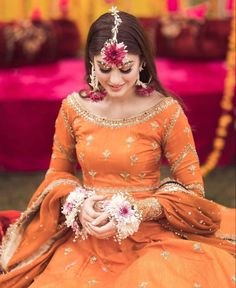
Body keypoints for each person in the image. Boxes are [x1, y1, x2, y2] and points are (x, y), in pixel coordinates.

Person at [0, 7, 235, 288]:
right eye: (103, 67)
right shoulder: (73, 109)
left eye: (125, 68)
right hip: (87, 235)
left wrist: (137, 210)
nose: (114, 80)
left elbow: (193, 191)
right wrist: (79, 202)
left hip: (150, 237)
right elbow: (57, 175)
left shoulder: (166, 111)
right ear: (90, 62)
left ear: (142, 63)